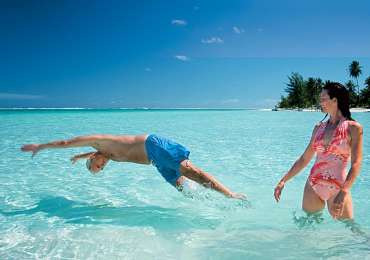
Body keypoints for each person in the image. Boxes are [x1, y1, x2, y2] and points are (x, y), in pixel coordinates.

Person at [21, 134, 245, 199]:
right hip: (155, 161)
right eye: (100, 170)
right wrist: (80, 157)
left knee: (192, 172)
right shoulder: (105, 154)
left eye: (96, 167)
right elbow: (96, 154)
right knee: (184, 189)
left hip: (155, 147)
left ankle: (230, 194)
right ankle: (212, 201)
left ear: (94, 159)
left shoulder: (99, 142)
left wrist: (41, 146)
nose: (101, 167)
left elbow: (65, 143)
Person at [274, 82, 363, 219]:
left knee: (351, 231)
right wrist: (283, 181)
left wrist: (344, 191)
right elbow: (305, 159)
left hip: (338, 188)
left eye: (323, 98)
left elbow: (356, 163)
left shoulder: (353, 128)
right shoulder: (318, 128)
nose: (320, 102)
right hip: (313, 185)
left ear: (335, 100)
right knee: (308, 227)